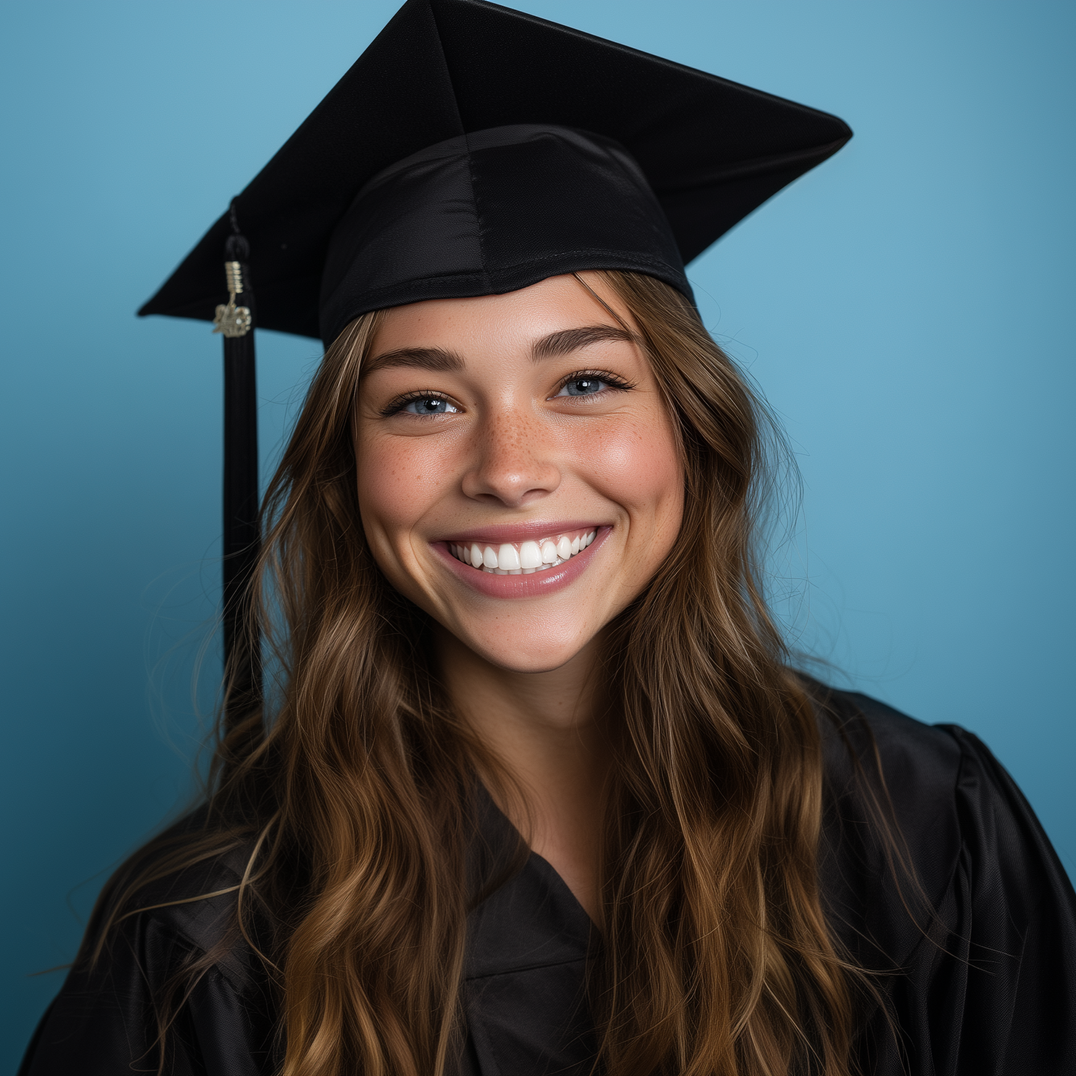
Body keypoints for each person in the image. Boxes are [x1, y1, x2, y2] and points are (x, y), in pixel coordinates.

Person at [19, 1, 1076, 1074]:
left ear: (690, 428)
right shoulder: (206, 945)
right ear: (345, 475)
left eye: (585, 381)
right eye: (423, 403)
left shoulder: (923, 833)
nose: (510, 467)